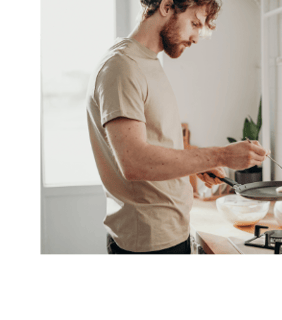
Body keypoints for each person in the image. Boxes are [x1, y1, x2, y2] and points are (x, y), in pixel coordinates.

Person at [86, 0, 268, 254]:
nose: (196, 37)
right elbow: (134, 161)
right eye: (194, 23)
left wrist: (200, 163)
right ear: (166, 6)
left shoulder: (147, 62)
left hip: (168, 232)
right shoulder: (122, 67)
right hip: (148, 242)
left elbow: (155, 144)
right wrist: (221, 154)